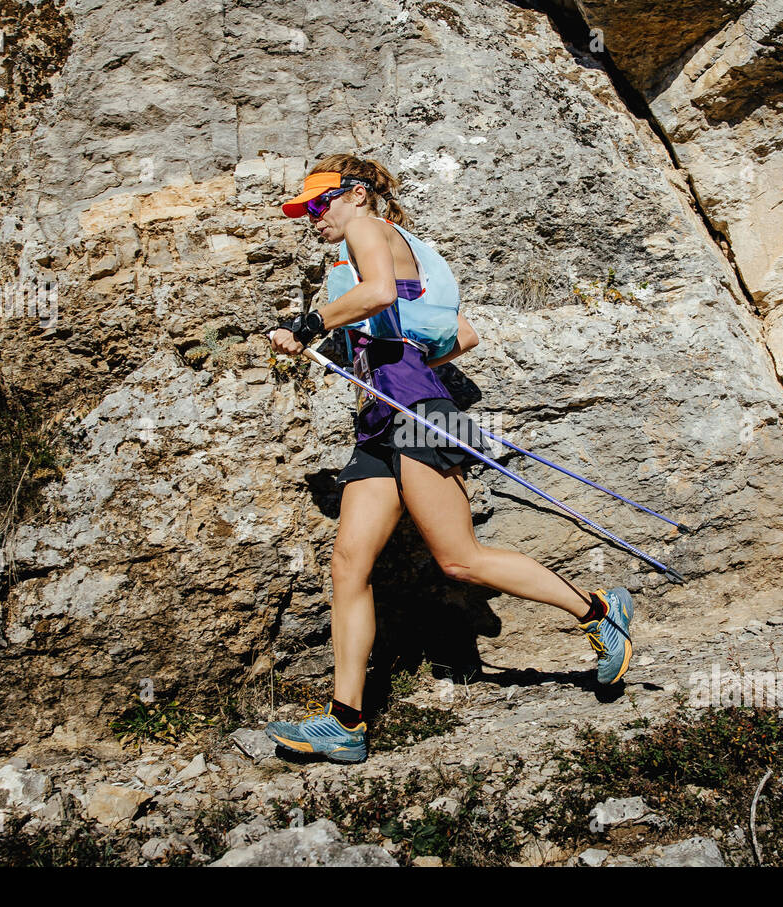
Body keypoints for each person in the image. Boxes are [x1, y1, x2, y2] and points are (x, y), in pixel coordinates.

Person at [263, 154, 633, 763]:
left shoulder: (366, 229)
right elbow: (463, 335)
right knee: (349, 567)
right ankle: (345, 721)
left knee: (459, 559)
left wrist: (309, 326)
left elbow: (379, 291)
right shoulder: (404, 248)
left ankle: (598, 612)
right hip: (382, 417)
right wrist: (388, 360)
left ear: (355, 195)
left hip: (414, 411)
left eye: (318, 203)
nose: (311, 217)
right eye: (304, 209)